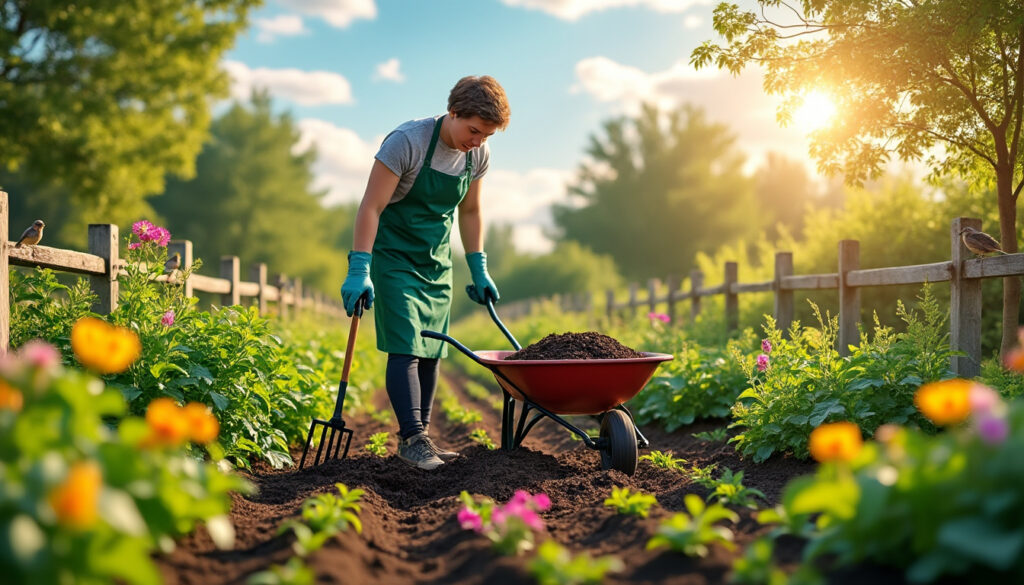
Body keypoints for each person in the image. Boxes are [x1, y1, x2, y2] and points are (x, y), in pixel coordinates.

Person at [340, 75, 510, 470]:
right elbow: (371, 207)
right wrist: (360, 267)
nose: (478, 141)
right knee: (406, 345)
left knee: (433, 349)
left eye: (487, 135)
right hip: (394, 256)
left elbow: (470, 211)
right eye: (473, 131)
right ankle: (412, 438)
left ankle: (423, 439)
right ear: (453, 113)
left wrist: (479, 267)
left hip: (436, 262)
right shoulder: (407, 142)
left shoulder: (477, 155)